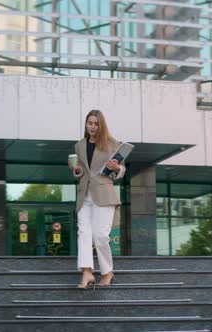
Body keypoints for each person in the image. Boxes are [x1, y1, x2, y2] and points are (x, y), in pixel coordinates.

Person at [68, 109, 126, 289]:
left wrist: (116, 167)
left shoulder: (111, 144)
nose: (92, 126)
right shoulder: (79, 145)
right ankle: (86, 272)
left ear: (101, 125)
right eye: (89, 123)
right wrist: (76, 170)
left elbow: (122, 171)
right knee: (83, 233)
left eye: (96, 123)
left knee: (100, 236)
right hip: (84, 194)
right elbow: (81, 172)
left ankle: (107, 272)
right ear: (86, 124)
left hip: (103, 193)